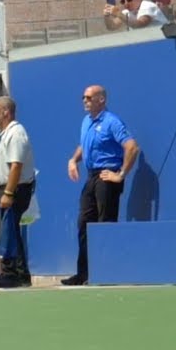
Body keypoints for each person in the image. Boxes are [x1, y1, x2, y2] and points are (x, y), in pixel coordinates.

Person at [62, 85, 139, 286]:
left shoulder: (112, 121)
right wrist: (73, 160)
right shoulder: (86, 121)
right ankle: (84, 274)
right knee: (84, 223)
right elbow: (84, 144)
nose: (84, 101)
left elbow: (132, 147)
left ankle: (106, 272)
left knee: (105, 224)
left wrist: (120, 174)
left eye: (89, 98)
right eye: (83, 98)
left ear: (101, 100)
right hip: (91, 176)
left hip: (107, 176)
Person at [0, 96, 35, 289]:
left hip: (13, 188)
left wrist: (8, 193)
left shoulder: (16, 133)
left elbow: (16, 165)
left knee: (9, 230)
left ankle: (12, 273)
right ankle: (20, 273)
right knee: (9, 230)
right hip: (2, 187)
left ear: (5, 112)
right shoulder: (2, 134)